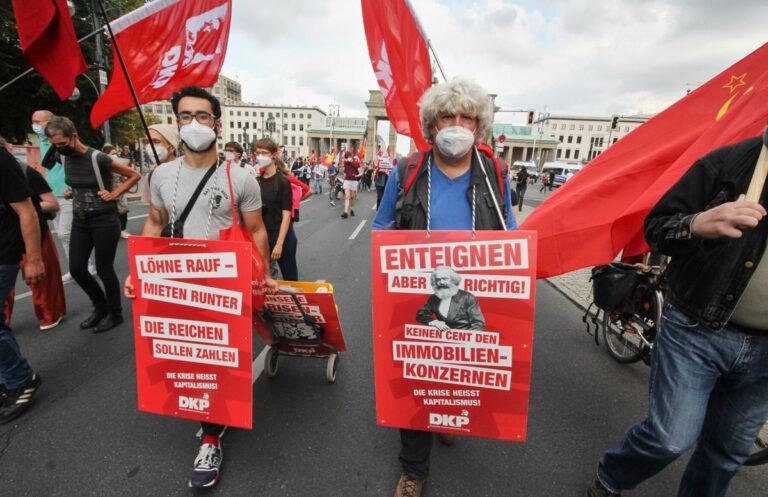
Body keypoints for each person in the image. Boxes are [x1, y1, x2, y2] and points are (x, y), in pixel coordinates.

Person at [587, 131, 768, 497]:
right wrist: (695, 224)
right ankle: (611, 477)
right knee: (670, 438)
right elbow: (657, 227)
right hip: (697, 330)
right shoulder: (727, 162)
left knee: (726, 453)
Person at [124, 86, 277, 489]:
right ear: (177, 122)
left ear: (217, 122)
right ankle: (206, 416)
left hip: (223, 285)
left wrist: (265, 273)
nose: (194, 123)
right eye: (186, 116)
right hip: (175, 281)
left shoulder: (241, 178)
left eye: (203, 116)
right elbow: (155, 223)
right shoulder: (160, 175)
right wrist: (138, 271)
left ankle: (211, 437)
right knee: (185, 353)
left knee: (215, 358)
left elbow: (256, 229)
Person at [372, 77, 517, 497]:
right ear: (431, 126)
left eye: (466, 117)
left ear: (479, 126)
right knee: (417, 377)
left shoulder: (495, 174)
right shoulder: (407, 171)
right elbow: (383, 227)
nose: (456, 124)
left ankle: (450, 416)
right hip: (417, 294)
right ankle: (413, 469)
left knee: (460, 372)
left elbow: (509, 231)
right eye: (447, 117)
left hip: (472, 297)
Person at [45, 116, 140, 333]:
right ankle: (101, 307)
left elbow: (134, 175)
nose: (59, 148)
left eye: (61, 143)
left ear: (74, 136)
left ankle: (115, 314)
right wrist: (71, 192)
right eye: (55, 145)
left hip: (104, 220)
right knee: (77, 269)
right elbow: (77, 184)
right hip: (80, 220)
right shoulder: (64, 157)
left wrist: (114, 193)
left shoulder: (98, 158)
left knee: (105, 269)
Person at [1, 137, 64, 331]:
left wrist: (29, 208)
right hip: (6, 239)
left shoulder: (27, 172)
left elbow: (52, 204)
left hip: (32, 234)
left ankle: (50, 313)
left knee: (41, 281)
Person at [0, 146, 44, 423]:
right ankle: (10, 376)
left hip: (2, 252)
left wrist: (34, 258)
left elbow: (27, 211)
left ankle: (20, 378)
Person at [33, 109, 95, 281]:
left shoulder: (64, 141)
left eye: (39, 122)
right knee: (62, 233)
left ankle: (85, 266)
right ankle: (76, 267)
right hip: (51, 193)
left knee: (65, 233)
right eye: (33, 122)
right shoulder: (43, 141)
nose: (35, 126)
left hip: (68, 192)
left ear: (51, 121)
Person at [255, 138, 299, 281]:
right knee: (263, 276)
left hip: (282, 236)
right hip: (263, 235)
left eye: (264, 153)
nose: (260, 156)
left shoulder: (283, 181)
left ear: (273, 155)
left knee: (290, 277)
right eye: (258, 152)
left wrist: (279, 244)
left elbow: (286, 215)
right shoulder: (257, 181)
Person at [415, 267, 484, 331]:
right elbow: (421, 314)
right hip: (442, 340)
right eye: (438, 280)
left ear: (453, 280)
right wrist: (435, 322)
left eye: (445, 279)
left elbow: (478, 324)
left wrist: (466, 339)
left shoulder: (468, 297)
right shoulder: (434, 298)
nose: (441, 282)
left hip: (463, 340)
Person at [140, 123, 181, 204]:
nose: (149, 146)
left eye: (155, 141)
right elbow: (154, 213)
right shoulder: (151, 176)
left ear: (171, 147)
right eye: (146, 142)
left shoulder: (186, 170)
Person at [102, 145, 131, 239]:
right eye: (113, 154)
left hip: (120, 191)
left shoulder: (120, 165)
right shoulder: (102, 165)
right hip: (107, 192)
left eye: (116, 154)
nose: (115, 156)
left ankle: (123, 230)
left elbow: (126, 179)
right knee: (110, 213)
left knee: (123, 211)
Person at [340, 151, 362, 219]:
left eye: (348, 157)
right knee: (347, 196)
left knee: (352, 197)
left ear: (351, 157)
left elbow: (361, 172)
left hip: (354, 181)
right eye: (346, 158)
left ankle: (352, 209)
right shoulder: (345, 163)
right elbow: (342, 171)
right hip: (347, 180)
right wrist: (342, 165)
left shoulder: (356, 163)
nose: (347, 159)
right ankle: (346, 212)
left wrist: (356, 175)